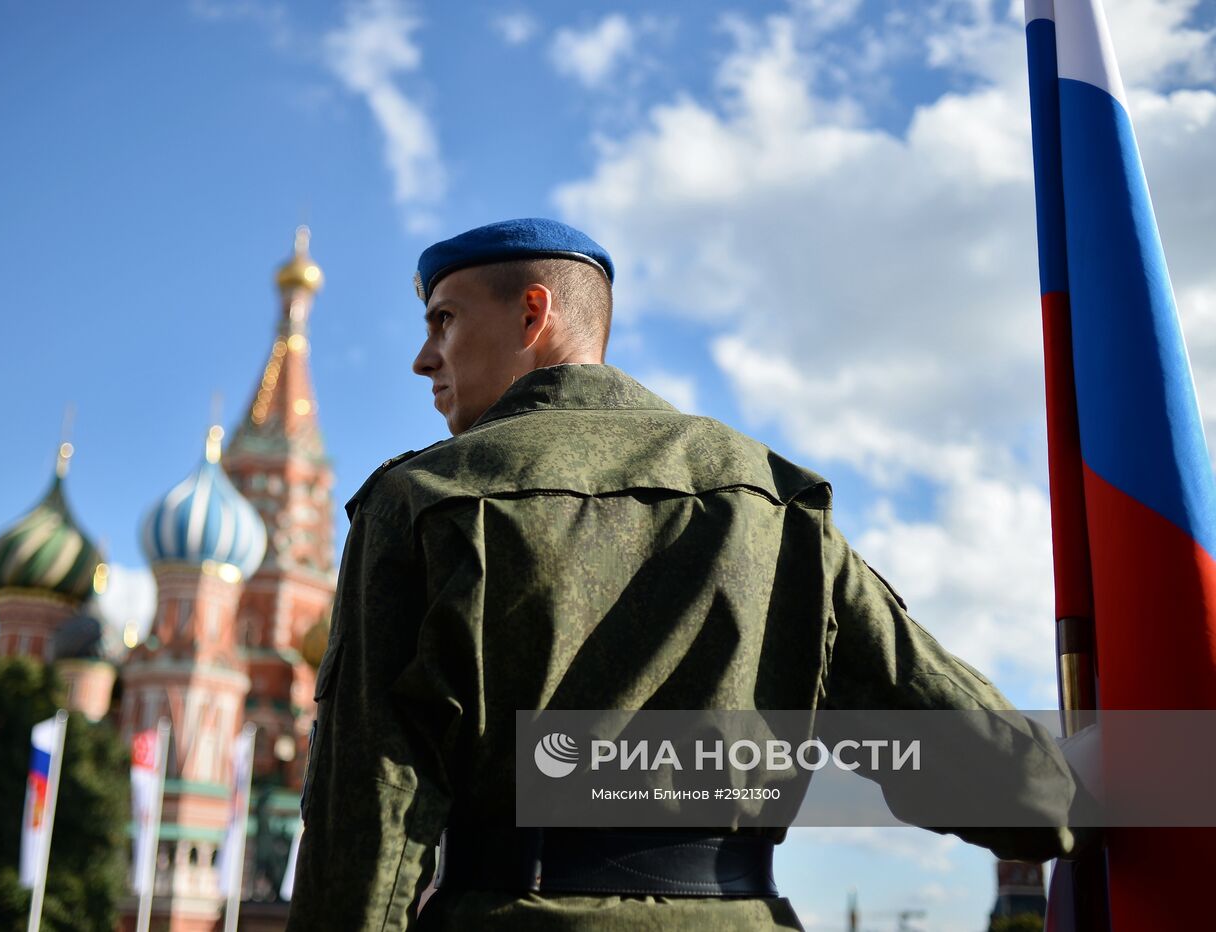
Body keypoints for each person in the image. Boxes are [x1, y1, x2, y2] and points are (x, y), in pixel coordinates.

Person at [287, 218, 1089, 931]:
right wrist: (1113, 786)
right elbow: (969, 753)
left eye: (444, 320)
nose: (424, 357)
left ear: (534, 313)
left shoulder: (425, 500)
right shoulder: (771, 500)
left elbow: (369, 812)